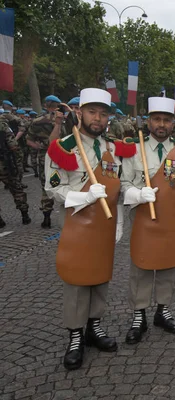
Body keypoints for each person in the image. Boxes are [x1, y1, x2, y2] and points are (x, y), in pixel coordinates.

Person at [45, 88, 122, 370]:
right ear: (80, 113)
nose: (97, 118)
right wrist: (84, 196)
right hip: (78, 223)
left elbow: (117, 189)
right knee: (78, 281)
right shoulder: (63, 147)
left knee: (100, 277)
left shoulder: (113, 149)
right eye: (92, 112)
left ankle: (94, 326)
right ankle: (75, 336)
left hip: (104, 224)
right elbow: (53, 187)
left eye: (103, 114)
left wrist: (120, 220)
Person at [120, 97, 175, 343]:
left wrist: (170, 200)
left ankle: (163, 310)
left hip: (171, 215)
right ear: (148, 121)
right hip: (143, 212)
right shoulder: (133, 147)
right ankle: (139, 315)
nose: (161, 124)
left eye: (166, 120)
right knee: (141, 264)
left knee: (168, 262)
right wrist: (138, 194)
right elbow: (124, 182)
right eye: (156, 119)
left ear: (173, 123)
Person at [27, 95, 65, 228]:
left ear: (45, 105)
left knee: (46, 186)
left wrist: (39, 147)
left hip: (45, 156)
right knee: (65, 183)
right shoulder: (64, 119)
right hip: (62, 155)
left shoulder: (37, 121)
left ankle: (46, 217)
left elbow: (29, 140)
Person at [0, 116, 31, 227]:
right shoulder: (2, 125)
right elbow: (13, 146)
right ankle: (25, 215)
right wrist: (17, 163)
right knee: (16, 189)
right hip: (5, 164)